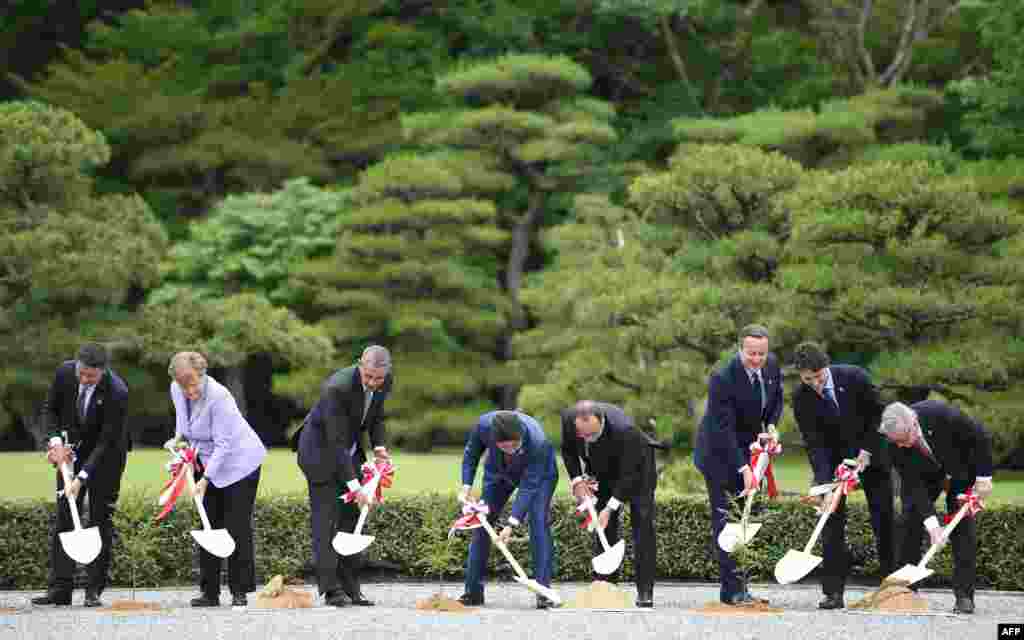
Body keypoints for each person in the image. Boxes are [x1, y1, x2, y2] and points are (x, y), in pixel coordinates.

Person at [791, 342, 895, 610]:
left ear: (826, 366)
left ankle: (893, 588)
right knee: (831, 521)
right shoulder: (801, 397)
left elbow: (879, 416)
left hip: (870, 456)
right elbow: (814, 443)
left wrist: (867, 451)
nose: (814, 383)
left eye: (818, 377)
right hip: (834, 464)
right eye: (807, 379)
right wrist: (824, 484)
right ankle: (833, 592)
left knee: (883, 518)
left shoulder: (855, 377)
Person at [32, 343, 130, 608]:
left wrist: (81, 478)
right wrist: (54, 442)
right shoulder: (65, 373)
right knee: (65, 514)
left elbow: (107, 441)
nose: (85, 380)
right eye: (82, 373)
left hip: (106, 458)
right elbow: (49, 409)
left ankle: (93, 590)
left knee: (100, 518)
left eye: (91, 376)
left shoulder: (117, 391)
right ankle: (60, 589)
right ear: (76, 364)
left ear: (103, 371)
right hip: (70, 452)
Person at [295, 345, 393, 607]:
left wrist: (380, 447)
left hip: (348, 451)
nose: (373, 383)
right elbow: (335, 442)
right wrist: (354, 487)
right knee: (326, 521)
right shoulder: (336, 388)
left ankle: (352, 588)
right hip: (319, 453)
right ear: (360, 365)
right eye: (368, 377)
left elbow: (377, 416)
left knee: (352, 520)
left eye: (378, 378)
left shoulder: (384, 381)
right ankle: (331, 589)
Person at [168, 352, 267, 608]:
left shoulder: (219, 396)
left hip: (239, 462)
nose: (188, 390)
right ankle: (209, 592)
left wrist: (205, 480)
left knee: (236, 526)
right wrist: (178, 440)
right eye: (182, 384)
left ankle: (239, 591)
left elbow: (224, 444)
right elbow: (184, 423)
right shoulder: (176, 388)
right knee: (207, 522)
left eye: (192, 383)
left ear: (202, 374)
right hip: (205, 458)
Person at [693, 324, 783, 606]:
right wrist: (743, 469)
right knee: (727, 519)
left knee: (747, 517)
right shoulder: (722, 377)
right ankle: (731, 590)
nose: (757, 359)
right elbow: (723, 430)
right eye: (751, 354)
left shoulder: (771, 367)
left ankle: (743, 585)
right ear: (740, 349)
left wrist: (771, 428)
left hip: (749, 449)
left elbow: (775, 402)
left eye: (761, 354)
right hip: (719, 455)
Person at [879, 401, 994, 615]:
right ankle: (905, 592)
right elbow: (914, 486)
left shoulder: (942, 414)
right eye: (897, 442)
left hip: (960, 468)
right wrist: (933, 526)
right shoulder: (892, 444)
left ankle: (964, 597)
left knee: (962, 526)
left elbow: (980, 436)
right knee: (910, 519)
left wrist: (984, 476)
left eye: (905, 440)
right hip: (923, 476)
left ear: (914, 424)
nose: (902, 445)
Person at [560, 400, 660, 608]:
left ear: (602, 421)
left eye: (592, 435)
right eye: (583, 435)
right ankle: (606, 584)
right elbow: (568, 450)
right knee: (605, 526)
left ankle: (644, 590)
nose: (587, 439)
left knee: (642, 524)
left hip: (638, 469)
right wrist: (577, 480)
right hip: (602, 470)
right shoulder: (569, 420)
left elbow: (629, 475)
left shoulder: (625, 430)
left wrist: (610, 506)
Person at [458, 410, 559, 609]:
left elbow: (529, 486)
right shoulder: (483, 426)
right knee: (482, 523)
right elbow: (471, 454)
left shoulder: (537, 440)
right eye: (504, 447)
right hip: (498, 474)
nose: (511, 450)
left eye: (515, 445)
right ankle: (473, 592)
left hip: (539, 476)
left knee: (538, 521)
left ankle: (543, 591)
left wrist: (511, 523)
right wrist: (466, 486)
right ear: (494, 440)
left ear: (520, 435)